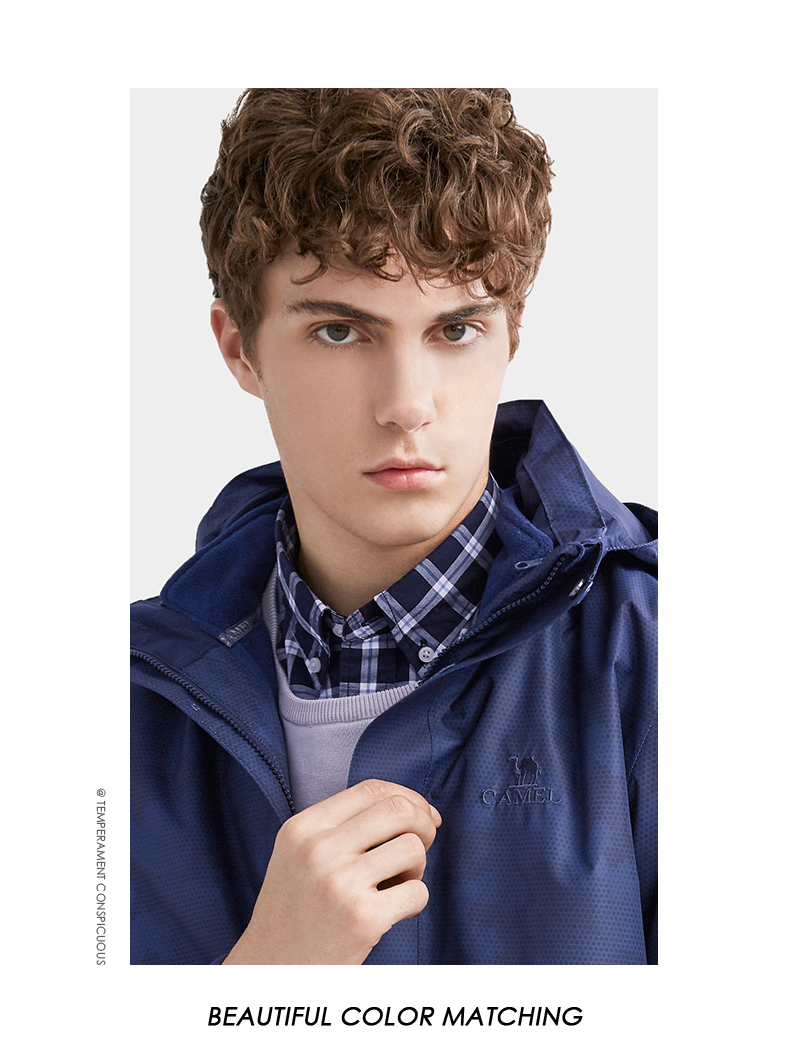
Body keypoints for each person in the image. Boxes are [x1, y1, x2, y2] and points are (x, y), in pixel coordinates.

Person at [130, 88, 657, 965]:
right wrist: (263, 980)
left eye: (457, 329)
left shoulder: (661, 660)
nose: (407, 405)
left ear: (512, 334)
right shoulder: (117, 714)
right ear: (239, 348)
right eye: (341, 331)